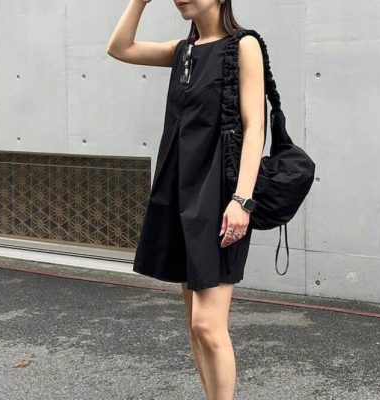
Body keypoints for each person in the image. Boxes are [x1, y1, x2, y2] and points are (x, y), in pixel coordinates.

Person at [107, 1, 265, 399]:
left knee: (209, 326)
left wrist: (243, 200)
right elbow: (120, 47)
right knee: (195, 325)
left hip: (221, 195)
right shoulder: (184, 51)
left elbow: (255, 127)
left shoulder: (243, 45)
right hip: (180, 192)